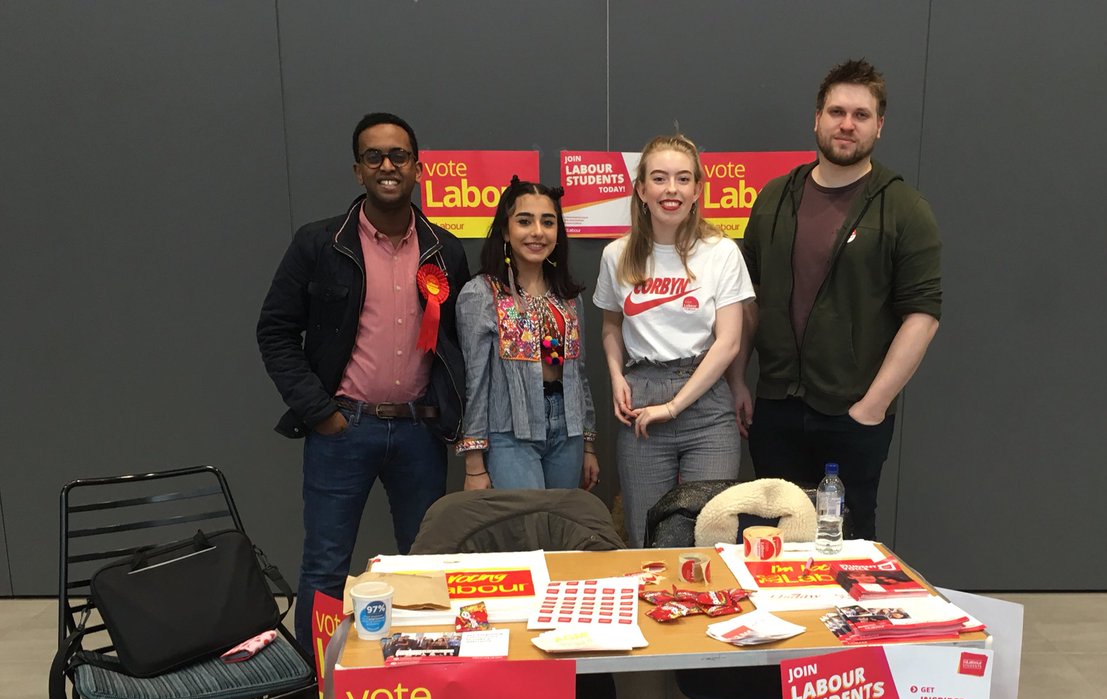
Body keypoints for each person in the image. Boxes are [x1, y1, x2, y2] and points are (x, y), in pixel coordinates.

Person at [257, 112, 468, 660]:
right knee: (326, 565)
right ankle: (317, 698)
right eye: (374, 156)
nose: (388, 165)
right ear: (357, 170)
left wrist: (449, 414)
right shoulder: (319, 244)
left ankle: (421, 683)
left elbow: (461, 343)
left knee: (423, 566)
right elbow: (275, 331)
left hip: (420, 433)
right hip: (342, 430)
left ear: (418, 168)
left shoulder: (445, 249)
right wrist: (319, 411)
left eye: (399, 155)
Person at [733, 59, 942, 540]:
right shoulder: (773, 199)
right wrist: (739, 382)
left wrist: (873, 405)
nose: (847, 124)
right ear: (817, 118)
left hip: (854, 414)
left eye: (861, 115)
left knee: (848, 545)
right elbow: (750, 299)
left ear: (880, 125)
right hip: (776, 406)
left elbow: (923, 316)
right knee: (770, 539)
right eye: (836, 111)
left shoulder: (904, 209)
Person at [594, 134, 754, 546]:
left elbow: (729, 342)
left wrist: (674, 406)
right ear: (642, 189)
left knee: (711, 536)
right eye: (660, 179)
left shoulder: (721, 252)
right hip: (641, 404)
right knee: (650, 538)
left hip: (706, 406)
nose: (672, 190)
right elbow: (611, 326)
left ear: (698, 189)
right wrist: (616, 374)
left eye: (683, 179)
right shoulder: (617, 254)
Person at [455, 179, 599, 491]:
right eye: (524, 221)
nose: (537, 232)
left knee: (559, 530)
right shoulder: (481, 294)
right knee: (527, 531)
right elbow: (475, 382)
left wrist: (588, 443)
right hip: (510, 431)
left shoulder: (569, 298)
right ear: (505, 231)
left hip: (567, 430)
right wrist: (474, 463)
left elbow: (580, 373)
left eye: (548, 222)